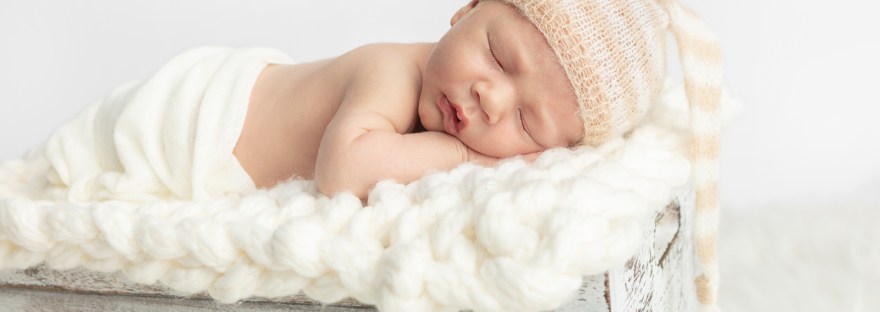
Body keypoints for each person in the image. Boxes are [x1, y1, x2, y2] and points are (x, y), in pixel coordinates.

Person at [233, 0, 583, 198]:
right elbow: (342, 172)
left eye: (525, 121)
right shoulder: (393, 70)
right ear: (468, 10)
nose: (491, 100)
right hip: (214, 111)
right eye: (497, 56)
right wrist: (468, 157)